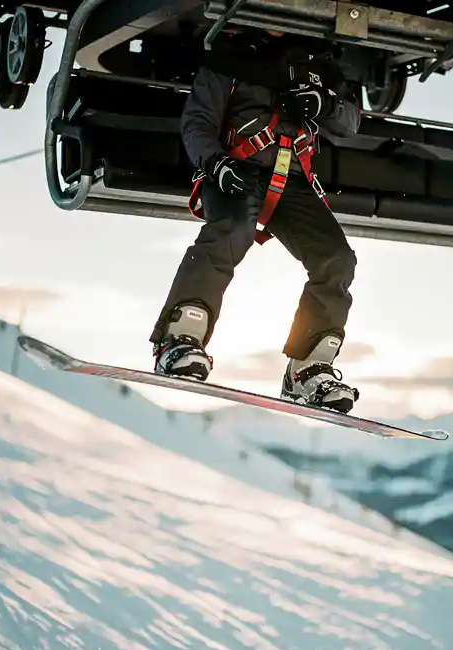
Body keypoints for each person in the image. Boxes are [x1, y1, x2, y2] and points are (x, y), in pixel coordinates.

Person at [147, 28, 362, 413]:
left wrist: (324, 105)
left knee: (336, 258)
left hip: (293, 180)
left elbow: (349, 123)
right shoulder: (229, 59)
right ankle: (179, 338)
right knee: (231, 231)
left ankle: (308, 367)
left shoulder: (317, 67)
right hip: (237, 169)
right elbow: (197, 124)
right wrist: (215, 163)